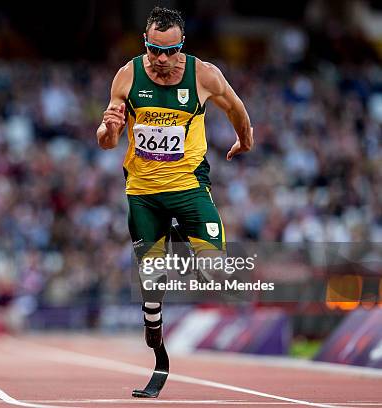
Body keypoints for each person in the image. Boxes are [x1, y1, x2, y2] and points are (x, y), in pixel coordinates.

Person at [97, 6, 253, 397]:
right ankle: (154, 323)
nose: (162, 60)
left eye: (170, 51)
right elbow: (107, 137)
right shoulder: (127, 75)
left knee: (216, 271)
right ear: (144, 44)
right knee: (151, 280)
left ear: (182, 45)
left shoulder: (204, 75)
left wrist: (245, 138)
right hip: (144, 193)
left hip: (188, 187)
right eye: (154, 50)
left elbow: (234, 107)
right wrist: (108, 130)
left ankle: (181, 247)